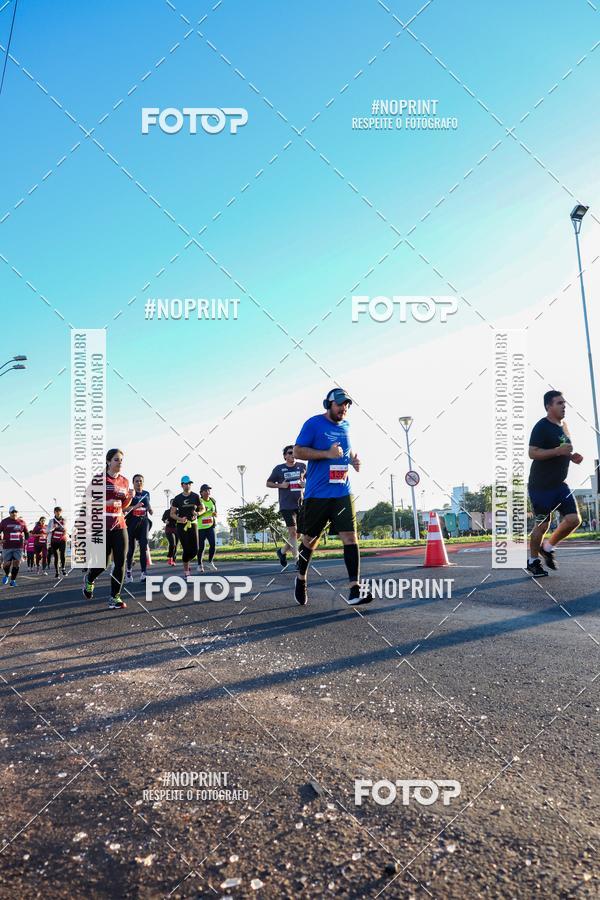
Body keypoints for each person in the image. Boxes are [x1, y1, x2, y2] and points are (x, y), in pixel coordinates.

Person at [293, 388, 374, 607]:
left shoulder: (346, 426)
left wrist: (353, 460)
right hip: (317, 494)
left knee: (350, 537)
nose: (344, 408)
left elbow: (346, 452)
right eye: (340, 404)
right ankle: (301, 578)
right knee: (310, 541)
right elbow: (298, 451)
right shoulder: (313, 424)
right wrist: (326, 454)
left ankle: (354, 590)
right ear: (328, 404)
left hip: (342, 492)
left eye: (347, 405)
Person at [527, 390, 583, 576]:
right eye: (559, 403)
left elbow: (564, 449)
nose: (564, 406)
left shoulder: (564, 426)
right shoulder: (541, 427)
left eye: (564, 403)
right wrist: (557, 452)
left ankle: (548, 548)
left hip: (560, 485)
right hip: (540, 486)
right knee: (542, 526)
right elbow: (533, 453)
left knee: (574, 520)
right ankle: (533, 561)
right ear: (548, 407)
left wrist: (572, 456)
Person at [82, 448, 132, 608]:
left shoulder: (125, 481)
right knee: (103, 563)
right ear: (108, 461)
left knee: (120, 562)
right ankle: (90, 578)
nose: (120, 462)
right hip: (102, 526)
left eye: (121, 460)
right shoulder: (99, 479)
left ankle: (114, 597)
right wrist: (106, 503)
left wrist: (129, 499)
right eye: (116, 459)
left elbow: (123, 505)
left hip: (120, 525)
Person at [266, 445, 306, 570]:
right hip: (286, 505)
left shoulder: (302, 466)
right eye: (289, 453)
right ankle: (297, 560)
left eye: (294, 452)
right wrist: (281, 485)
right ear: (285, 456)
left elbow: (311, 480)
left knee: (298, 535)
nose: (292, 454)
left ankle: (282, 552)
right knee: (293, 533)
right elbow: (268, 483)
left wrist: (306, 484)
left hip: (300, 504)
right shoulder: (279, 469)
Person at [170, 476, 204, 580]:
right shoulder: (177, 498)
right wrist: (180, 519)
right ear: (182, 485)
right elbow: (172, 514)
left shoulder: (195, 496)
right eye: (186, 483)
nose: (188, 485)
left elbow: (202, 508)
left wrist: (197, 513)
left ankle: (185, 561)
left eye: (190, 483)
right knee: (186, 548)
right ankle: (186, 570)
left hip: (193, 524)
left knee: (195, 550)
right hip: (181, 526)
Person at [125, 474, 153, 582]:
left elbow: (148, 504)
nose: (139, 483)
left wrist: (150, 510)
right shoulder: (129, 494)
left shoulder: (146, 493)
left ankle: (143, 573)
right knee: (131, 549)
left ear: (143, 482)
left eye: (141, 481)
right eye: (136, 481)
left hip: (143, 522)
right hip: (131, 522)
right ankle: (128, 572)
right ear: (133, 483)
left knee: (143, 546)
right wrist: (134, 507)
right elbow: (124, 508)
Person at [0, 506, 29, 586]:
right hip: (7, 546)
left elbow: (26, 532)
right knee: (7, 564)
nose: (14, 513)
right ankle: (6, 575)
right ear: (9, 513)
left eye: (15, 512)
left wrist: (26, 540)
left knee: (16, 563)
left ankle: (13, 580)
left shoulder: (22, 522)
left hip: (18, 547)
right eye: (12, 512)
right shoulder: (4, 521)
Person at [197, 484, 217, 572]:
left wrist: (214, 514)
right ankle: (199, 565)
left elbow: (215, 512)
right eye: (205, 490)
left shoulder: (212, 500)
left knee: (213, 544)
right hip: (200, 527)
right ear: (201, 492)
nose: (208, 492)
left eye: (209, 490)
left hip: (210, 526)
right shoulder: (198, 501)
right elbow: (195, 514)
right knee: (201, 547)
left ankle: (210, 562)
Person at [47, 507, 68, 578]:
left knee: (63, 554)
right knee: (56, 557)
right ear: (54, 512)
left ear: (61, 512)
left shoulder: (64, 520)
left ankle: (63, 568)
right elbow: (47, 530)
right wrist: (53, 527)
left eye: (59, 511)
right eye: (57, 511)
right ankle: (57, 572)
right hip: (54, 541)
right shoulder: (51, 521)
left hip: (62, 540)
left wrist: (62, 527)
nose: (58, 512)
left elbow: (66, 529)